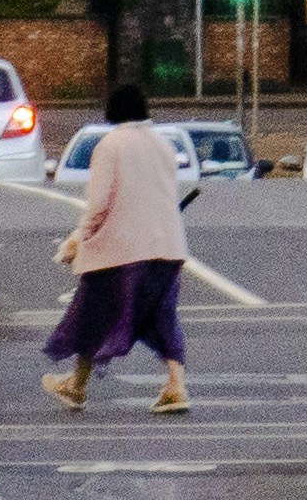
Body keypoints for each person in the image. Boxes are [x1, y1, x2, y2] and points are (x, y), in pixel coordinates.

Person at [43, 81, 195, 411]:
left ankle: (77, 385)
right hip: (167, 248)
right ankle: (176, 385)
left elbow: (99, 204)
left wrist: (80, 239)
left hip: (121, 252)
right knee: (162, 317)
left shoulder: (110, 146)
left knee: (91, 314)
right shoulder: (163, 145)